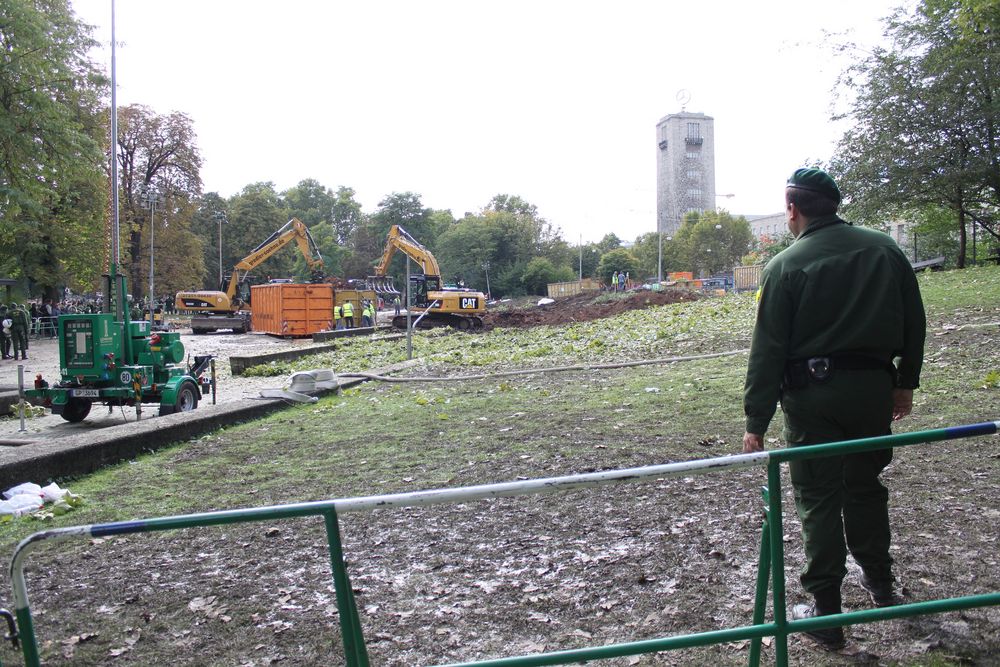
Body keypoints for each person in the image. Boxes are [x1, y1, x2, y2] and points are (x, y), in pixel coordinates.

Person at [742, 168, 926, 650]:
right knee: (865, 485)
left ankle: (826, 612)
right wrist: (905, 382)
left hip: (812, 398)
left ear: (791, 208)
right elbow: (914, 320)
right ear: (833, 203)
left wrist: (755, 420)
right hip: (872, 390)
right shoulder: (885, 248)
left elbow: (768, 349)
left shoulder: (785, 266)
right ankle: (880, 582)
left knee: (818, 498)